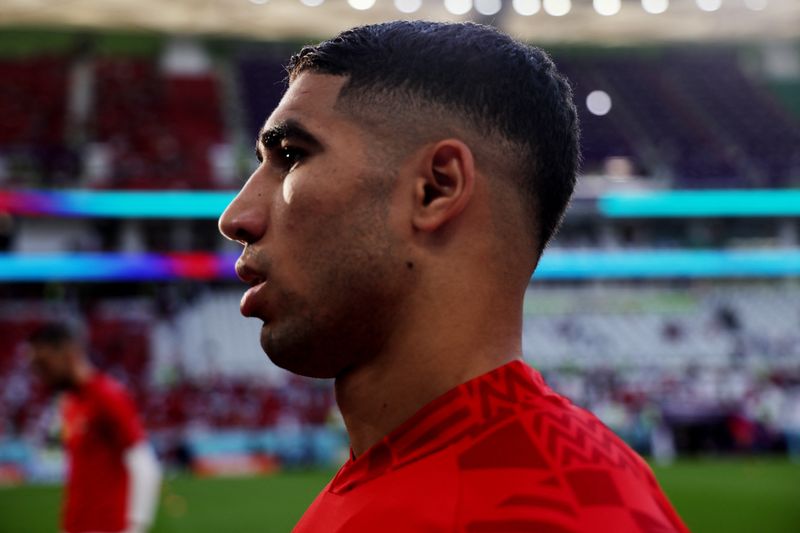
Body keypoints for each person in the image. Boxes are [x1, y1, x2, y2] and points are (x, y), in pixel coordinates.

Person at [219, 20, 689, 532]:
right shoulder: (389, 474)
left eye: (291, 157)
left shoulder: (563, 513)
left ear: (435, 189)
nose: (235, 217)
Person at [27, 321, 161, 533]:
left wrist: (134, 526)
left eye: (44, 364)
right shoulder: (70, 401)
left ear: (69, 354)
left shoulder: (107, 396)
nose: (40, 375)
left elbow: (144, 464)